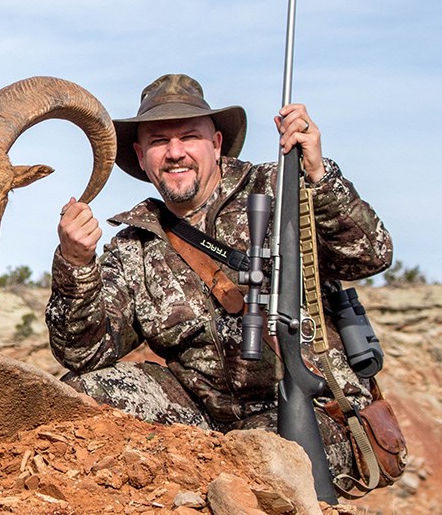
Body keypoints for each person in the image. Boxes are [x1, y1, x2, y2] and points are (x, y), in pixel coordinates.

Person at [46, 73, 393, 478]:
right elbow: (84, 355)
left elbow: (371, 255)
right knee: (79, 394)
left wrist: (319, 176)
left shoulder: (281, 186)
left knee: (260, 461)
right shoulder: (131, 246)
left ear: (215, 144)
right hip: (203, 423)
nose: (175, 152)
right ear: (141, 157)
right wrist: (75, 265)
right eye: (159, 141)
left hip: (310, 410)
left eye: (189, 137)